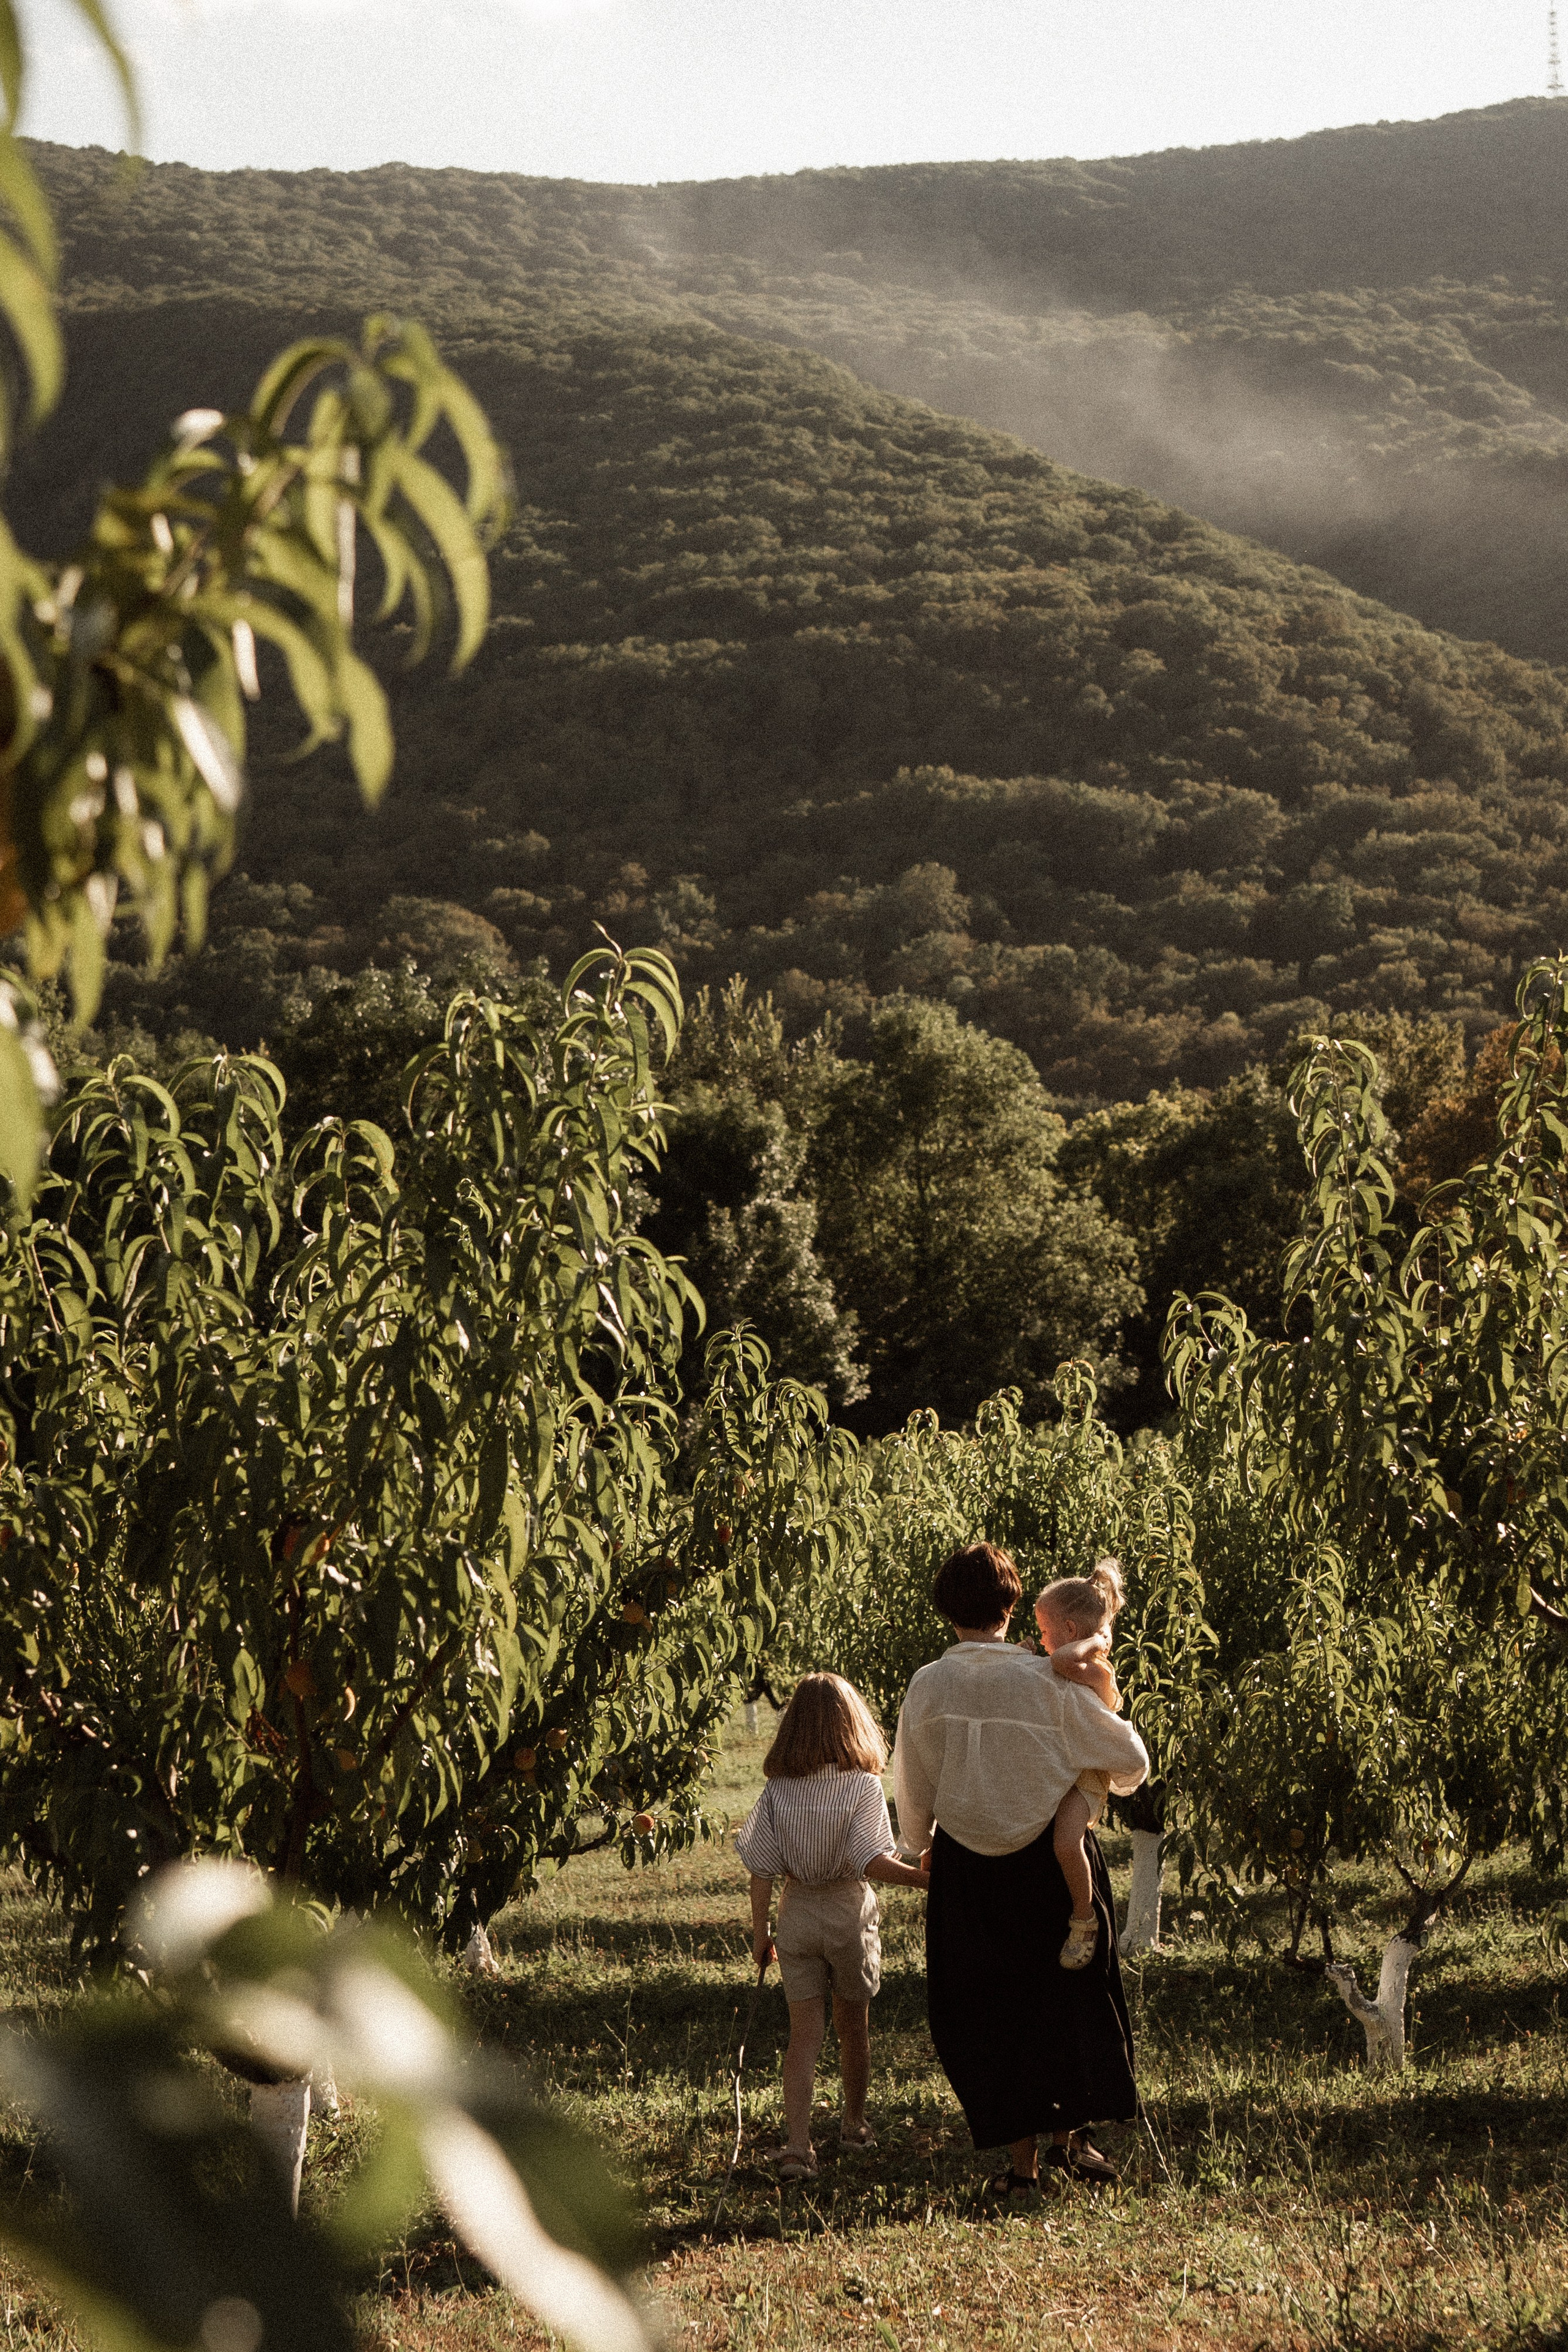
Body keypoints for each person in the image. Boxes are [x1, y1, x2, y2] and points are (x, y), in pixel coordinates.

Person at [892, 1541, 1148, 2201]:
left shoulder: (928, 1683)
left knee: (988, 2011)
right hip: (1046, 1861)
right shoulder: (1045, 1681)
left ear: (946, 1609)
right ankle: (1074, 2137)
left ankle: (1022, 2167)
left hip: (967, 1868)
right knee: (1065, 2000)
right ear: (1011, 1605)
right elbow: (1130, 1760)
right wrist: (1086, 1786)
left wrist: (917, 1841)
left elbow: (913, 1776)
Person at [736, 1672, 929, 2180]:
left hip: (796, 1911)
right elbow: (872, 1861)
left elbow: (760, 1870)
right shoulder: (863, 1786)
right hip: (847, 1912)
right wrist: (926, 1879)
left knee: (804, 2037)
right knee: (853, 2029)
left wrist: (761, 1937)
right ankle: (854, 2123)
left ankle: (798, 2148)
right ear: (853, 1724)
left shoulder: (779, 1791)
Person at [1035, 1558, 1126, 1970]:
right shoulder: (1072, 1662)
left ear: (1070, 1632)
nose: (1040, 1639)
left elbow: (1058, 1662)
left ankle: (1085, 1917)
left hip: (1086, 1781)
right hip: (1066, 1770)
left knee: (1065, 1843)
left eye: (1044, 1631)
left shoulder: (1094, 1668)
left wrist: (1098, 1639)